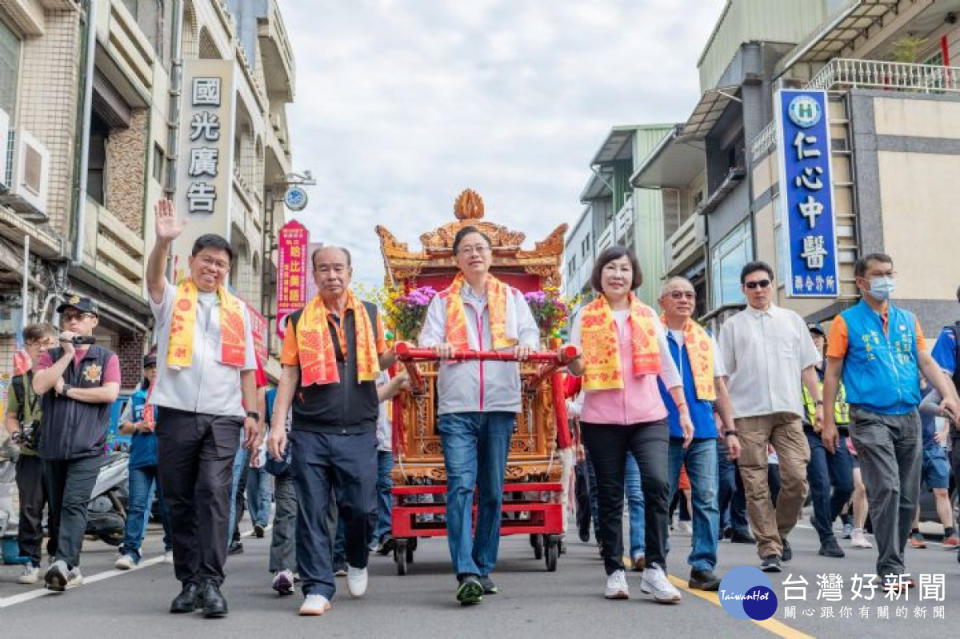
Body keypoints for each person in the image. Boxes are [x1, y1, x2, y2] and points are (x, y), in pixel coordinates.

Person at [147, 199, 260, 618]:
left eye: (221, 264)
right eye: (206, 261)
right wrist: (162, 242)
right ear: (191, 261)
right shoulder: (173, 299)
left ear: (227, 271)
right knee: (178, 499)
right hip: (175, 413)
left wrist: (254, 416)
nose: (213, 269)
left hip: (224, 416)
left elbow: (247, 369)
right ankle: (189, 581)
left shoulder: (239, 314)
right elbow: (154, 279)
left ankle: (211, 582)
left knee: (214, 492)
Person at [268, 245, 396, 616]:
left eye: (338, 268)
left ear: (350, 272)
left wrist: (402, 350)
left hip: (358, 429)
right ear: (314, 275)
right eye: (323, 269)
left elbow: (381, 359)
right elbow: (290, 373)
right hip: (310, 431)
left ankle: (357, 558)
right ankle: (318, 587)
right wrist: (278, 426)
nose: (331, 275)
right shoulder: (298, 321)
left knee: (362, 509)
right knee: (312, 510)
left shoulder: (370, 315)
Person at [416, 225, 539, 605]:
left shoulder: (513, 298)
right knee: (459, 486)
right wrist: (441, 346)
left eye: (480, 248)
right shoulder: (442, 302)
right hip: (458, 407)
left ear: (491, 255)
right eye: (466, 249)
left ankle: (483, 567)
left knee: (492, 490)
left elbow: (531, 336)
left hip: (500, 404)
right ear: (457, 259)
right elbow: (426, 343)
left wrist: (525, 348)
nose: (474, 254)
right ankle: (465, 570)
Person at [822, 252, 960, 590]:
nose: (886, 279)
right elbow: (833, 374)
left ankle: (893, 560)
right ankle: (890, 568)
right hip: (869, 417)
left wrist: (950, 395)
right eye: (878, 274)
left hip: (908, 416)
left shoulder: (906, 319)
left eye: (889, 273)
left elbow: (926, 362)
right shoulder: (846, 322)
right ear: (861, 282)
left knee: (909, 497)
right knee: (888, 487)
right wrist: (827, 420)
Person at [564, 246, 693, 604]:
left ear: (632, 275)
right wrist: (572, 362)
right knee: (608, 494)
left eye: (623, 268)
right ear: (600, 275)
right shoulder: (585, 316)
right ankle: (614, 571)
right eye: (610, 268)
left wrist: (681, 409)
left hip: (649, 416)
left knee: (656, 483)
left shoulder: (648, 315)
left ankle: (655, 569)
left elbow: (667, 366)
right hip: (600, 419)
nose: (617, 275)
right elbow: (574, 367)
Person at [718, 261, 822, 573]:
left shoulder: (791, 320)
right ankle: (769, 550)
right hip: (748, 414)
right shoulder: (732, 326)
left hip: (789, 411)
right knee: (755, 484)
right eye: (752, 285)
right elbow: (722, 376)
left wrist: (818, 404)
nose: (759, 289)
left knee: (796, 479)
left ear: (771, 284)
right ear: (743, 289)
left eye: (764, 283)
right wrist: (727, 422)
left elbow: (807, 366)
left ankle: (778, 533)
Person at [32, 297, 121, 591]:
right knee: (57, 508)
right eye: (68, 316)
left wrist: (68, 389)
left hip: (88, 449)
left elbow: (108, 394)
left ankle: (63, 562)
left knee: (74, 503)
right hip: (52, 447)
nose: (72, 321)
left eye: (79, 316)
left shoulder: (106, 358)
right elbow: (40, 385)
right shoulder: (52, 355)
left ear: (93, 320)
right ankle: (69, 564)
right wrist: (67, 356)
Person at [657, 276, 739, 591]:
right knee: (660, 499)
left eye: (690, 295)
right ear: (663, 301)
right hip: (662, 428)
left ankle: (703, 566)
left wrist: (730, 429)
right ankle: (656, 561)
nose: (684, 300)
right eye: (676, 294)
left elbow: (720, 385)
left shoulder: (705, 337)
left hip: (704, 430)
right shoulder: (652, 335)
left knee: (707, 498)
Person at [4, 322, 57, 584]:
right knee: (30, 509)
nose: (42, 348)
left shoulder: (62, 376)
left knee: (59, 509)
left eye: (47, 342)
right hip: (29, 454)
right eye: (35, 344)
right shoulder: (18, 382)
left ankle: (58, 559)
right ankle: (31, 562)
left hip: (59, 454)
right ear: (28, 347)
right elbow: (11, 417)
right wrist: (16, 433)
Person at [115, 353, 174, 569]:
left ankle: (171, 547)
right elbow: (122, 426)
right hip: (140, 458)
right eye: (150, 368)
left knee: (168, 506)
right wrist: (139, 426)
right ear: (145, 372)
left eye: (157, 367)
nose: (154, 371)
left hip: (167, 458)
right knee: (137, 505)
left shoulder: (172, 397)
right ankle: (131, 550)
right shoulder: (137, 397)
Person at [801, 323, 853, 559]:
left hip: (838, 430)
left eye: (817, 337)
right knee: (820, 483)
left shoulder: (836, 369)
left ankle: (822, 516)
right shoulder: (799, 370)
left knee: (845, 485)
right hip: (809, 431)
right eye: (809, 337)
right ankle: (827, 537)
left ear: (824, 341)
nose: (813, 340)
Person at [912, 386, 958, 549]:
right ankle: (915, 532)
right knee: (913, 492)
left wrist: (945, 431)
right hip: (911, 445)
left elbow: (948, 404)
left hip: (933, 445)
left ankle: (949, 533)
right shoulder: (907, 381)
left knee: (942, 490)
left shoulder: (935, 386)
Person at [372, 370, 409, 552]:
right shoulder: (366, 363)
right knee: (365, 488)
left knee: (386, 486)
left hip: (387, 440)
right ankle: (371, 535)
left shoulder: (392, 369)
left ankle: (386, 533)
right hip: (366, 438)